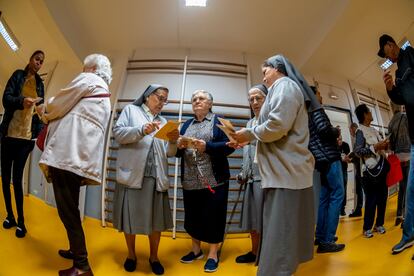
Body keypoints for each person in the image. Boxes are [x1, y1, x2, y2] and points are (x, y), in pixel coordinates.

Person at [231, 55, 316, 276]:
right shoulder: (282, 88)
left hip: (286, 173)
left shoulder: (285, 85)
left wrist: (248, 134)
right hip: (283, 172)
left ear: (277, 69)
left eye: (264, 71)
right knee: (281, 233)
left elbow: (277, 125)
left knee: (281, 235)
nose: (264, 77)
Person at [38, 54, 112, 276]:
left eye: (84, 67)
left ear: (91, 68)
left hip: (68, 154)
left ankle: (82, 266)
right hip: (79, 157)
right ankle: (75, 250)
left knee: (67, 210)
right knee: (72, 207)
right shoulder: (103, 93)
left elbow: (59, 104)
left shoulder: (89, 80)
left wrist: (44, 108)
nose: (82, 70)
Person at [112, 84, 178, 275]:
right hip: (133, 174)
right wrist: (141, 129)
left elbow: (169, 153)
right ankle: (131, 255)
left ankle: (154, 257)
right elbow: (118, 134)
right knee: (129, 219)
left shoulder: (164, 121)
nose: (162, 103)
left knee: (156, 221)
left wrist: (173, 141)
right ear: (148, 96)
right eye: (159, 97)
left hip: (156, 176)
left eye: (165, 100)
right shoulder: (131, 111)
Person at [177, 90, 234, 273]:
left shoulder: (220, 122)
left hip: (214, 180)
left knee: (214, 217)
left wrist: (207, 147)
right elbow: (180, 153)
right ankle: (196, 251)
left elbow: (230, 146)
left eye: (201, 99)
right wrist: (178, 146)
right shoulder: (186, 124)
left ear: (210, 103)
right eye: (194, 99)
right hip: (190, 180)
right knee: (192, 216)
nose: (197, 101)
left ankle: (212, 254)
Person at [0, 50, 45, 238]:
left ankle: (21, 222)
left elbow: (39, 111)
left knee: (17, 180)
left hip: (26, 140)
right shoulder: (18, 75)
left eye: (42, 62)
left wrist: (42, 122)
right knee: (4, 177)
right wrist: (22, 101)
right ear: (30, 59)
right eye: (37, 59)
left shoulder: (40, 85)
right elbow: (6, 99)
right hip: (9, 135)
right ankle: (9, 216)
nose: (39, 63)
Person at [379, 33, 414, 255]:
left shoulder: (410, 54)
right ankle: (409, 235)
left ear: (391, 45)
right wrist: (391, 88)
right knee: (411, 190)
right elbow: (401, 99)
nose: (387, 57)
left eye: (386, 52)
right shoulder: (399, 71)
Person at [234, 84, 267, 264]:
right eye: (251, 99)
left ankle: (265, 253)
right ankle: (254, 251)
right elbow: (247, 152)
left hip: (266, 178)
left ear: (267, 99)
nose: (254, 102)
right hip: (251, 178)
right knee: (253, 220)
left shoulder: (269, 121)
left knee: (264, 221)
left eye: (258, 98)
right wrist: (242, 173)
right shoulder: (249, 123)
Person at [309, 86, 345, 253]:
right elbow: (324, 130)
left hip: (321, 161)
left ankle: (321, 235)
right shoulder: (317, 110)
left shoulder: (305, 114)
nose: (321, 96)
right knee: (337, 195)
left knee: (324, 198)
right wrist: (336, 131)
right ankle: (328, 240)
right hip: (330, 158)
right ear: (313, 95)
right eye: (318, 93)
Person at [354, 104, 389, 239]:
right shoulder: (360, 131)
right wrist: (375, 147)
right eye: (369, 111)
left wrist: (385, 145)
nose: (371, 113)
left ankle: (379, 224)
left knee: (382, 198)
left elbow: (382, 146)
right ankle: (367, 227)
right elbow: (358, 151)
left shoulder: (374, 130)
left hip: (381, 169)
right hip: (369, 173)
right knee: (371, 199)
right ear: (364, 115)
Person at [388, 103, 410, 227]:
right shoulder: (406, 117)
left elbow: (390, 145)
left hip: (398, 158)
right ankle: (407, 217)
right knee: (409, 187)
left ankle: (399, 215)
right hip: (409, 155)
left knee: (402, 187)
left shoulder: (391, 123)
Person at [349, 122, 363, 218]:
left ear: (353, 128)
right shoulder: (358, 136)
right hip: (359, 167)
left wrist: (349, 157)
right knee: (359, 190)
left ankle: (358, 210)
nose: (350, 133)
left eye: (350, 131)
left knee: (360, 190)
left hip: (360, 168)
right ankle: (358, 209)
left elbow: (357, 152)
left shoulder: (359, 134)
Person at [338, 133, 351, 216]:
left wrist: (347, 158)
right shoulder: (333, 146)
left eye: (340, 138)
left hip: (343, 170)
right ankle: (338, 208)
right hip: (336, 170)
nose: (339, 140)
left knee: (344, 188)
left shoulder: (345, 145)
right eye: (338, 139)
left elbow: (348, 156)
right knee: (337, 189)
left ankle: (342, 208)